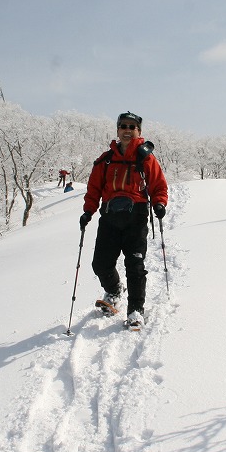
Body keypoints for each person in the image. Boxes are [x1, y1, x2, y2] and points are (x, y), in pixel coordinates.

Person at [79, 112, 168, 329]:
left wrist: (159, 203)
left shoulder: (146, 158)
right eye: (123, 126)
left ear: (139, 131)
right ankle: (114, 290)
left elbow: (159, 185)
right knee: (100, 264)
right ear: (118, 130)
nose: (127, 130)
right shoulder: (106, 160)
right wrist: (88, 211)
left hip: (136, 217)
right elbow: (94, 189)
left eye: (132, 127)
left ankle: (136, 310)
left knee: (135, 264)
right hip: (109, 217)